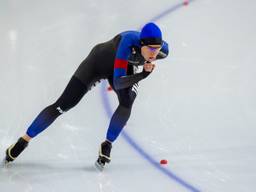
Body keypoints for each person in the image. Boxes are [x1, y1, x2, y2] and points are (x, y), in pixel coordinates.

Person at [4, 22, 169, 169]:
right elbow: (119, 83)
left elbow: (122, 80)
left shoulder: (162, 51)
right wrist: (143, 75)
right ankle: (23, 141)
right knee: (63, 104)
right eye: (151, 49)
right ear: (141, 44)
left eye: (158, 48)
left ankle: (107, 144)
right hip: (97, 64)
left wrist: (142, 72)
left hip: (119, 70)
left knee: (127, 101)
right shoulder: (127, 43)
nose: (155, 53)